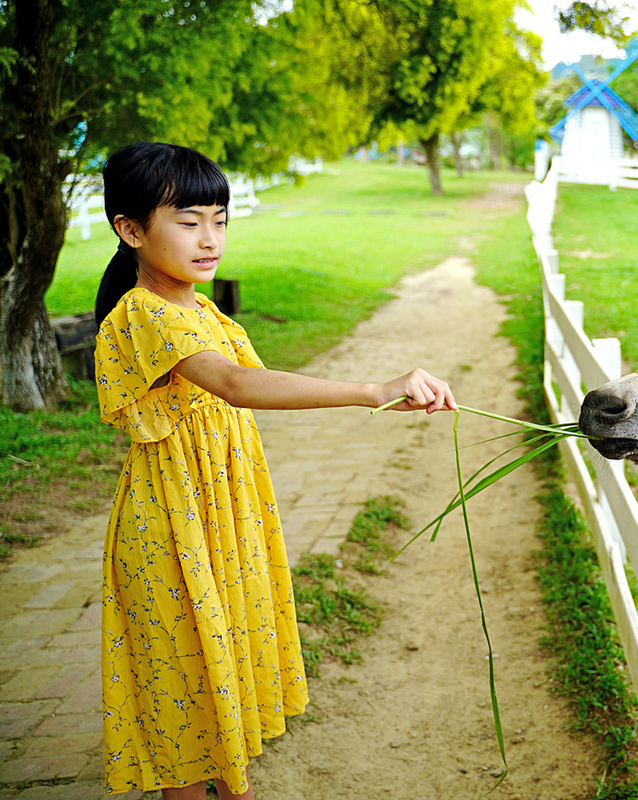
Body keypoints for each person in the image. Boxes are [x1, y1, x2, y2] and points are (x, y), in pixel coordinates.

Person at [93, 142, 456, 799]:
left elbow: (250, 384)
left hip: (218, 519)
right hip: (172, 530)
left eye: (220, 219)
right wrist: (375, 388)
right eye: (188, 220)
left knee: (218, 674)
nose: (210, 238)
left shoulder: (199, 309)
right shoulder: (142, 313)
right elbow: (235, 384)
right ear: (131, 229)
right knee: (186, 700)